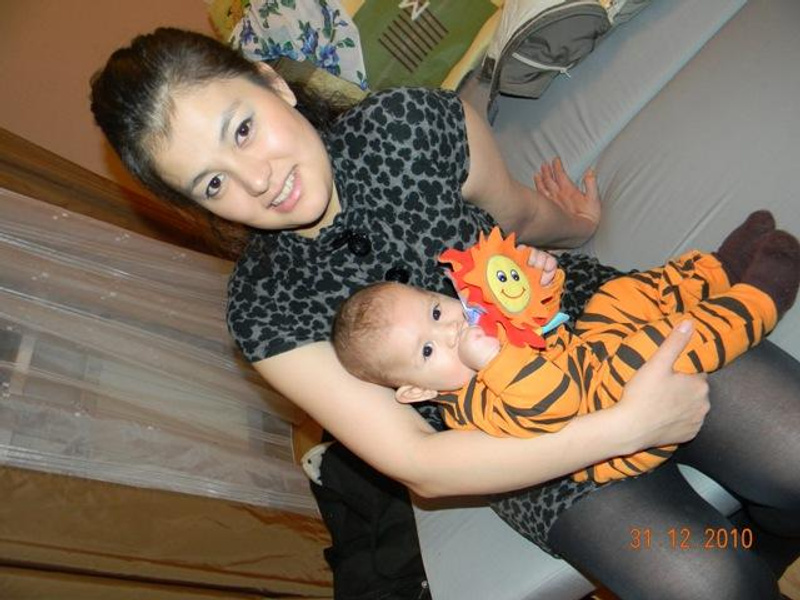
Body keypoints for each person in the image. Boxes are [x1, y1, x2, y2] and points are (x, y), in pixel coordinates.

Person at [89, 27, 800, 599]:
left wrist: (576, 225)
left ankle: (772, 533)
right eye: (212, 183)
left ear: (272, 83)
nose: (256, 180)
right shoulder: (265, 309)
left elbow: (518, 215)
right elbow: (419, 461)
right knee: (708, 583)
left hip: (590, 324)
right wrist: (626, 427)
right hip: (508, 440)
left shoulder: (408, 123)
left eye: (242, 129)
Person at [332, 213, 800, 483]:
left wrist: (540, 283)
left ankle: (718, 269)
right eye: (427, 352)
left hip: (586, 356)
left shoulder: (480, 329)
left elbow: (543, 327)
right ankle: (757, 301)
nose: (451, 330)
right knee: (651, 347)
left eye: (436, 312)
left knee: (618, 297)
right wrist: (495, 360)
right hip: (604, 417)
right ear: (416, 392)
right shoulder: (472, 409)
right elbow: (554, 401)